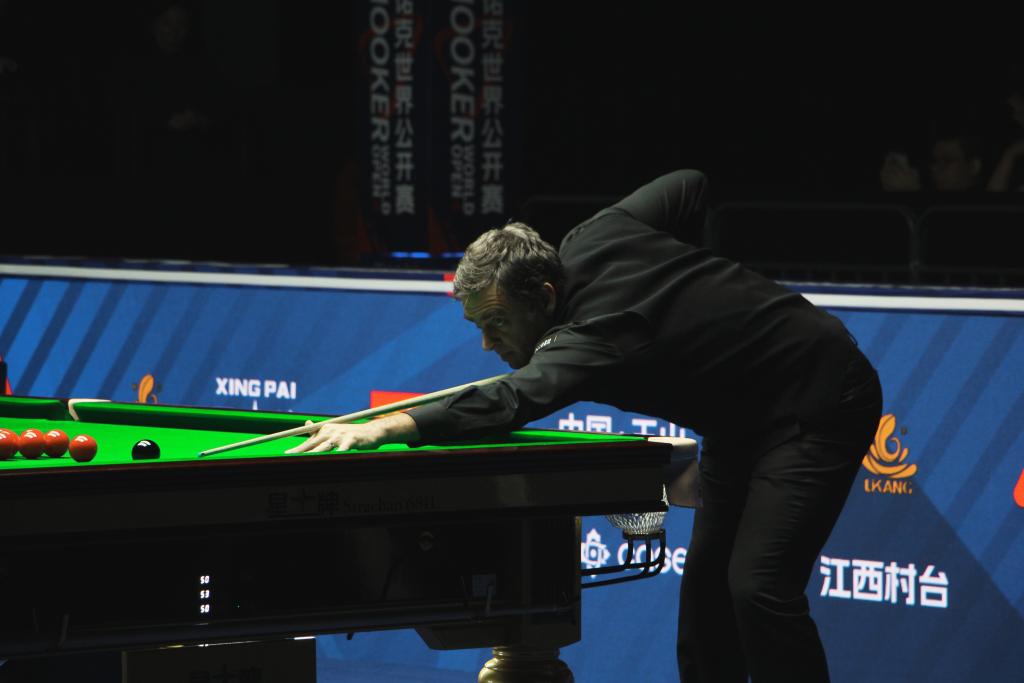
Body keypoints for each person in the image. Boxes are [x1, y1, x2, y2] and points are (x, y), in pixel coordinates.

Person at [289, 169, 883, 682]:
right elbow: (689, 185)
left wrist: (392, 426)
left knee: (758, 588)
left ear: (545, 296)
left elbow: (510, 401)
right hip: (735, 419)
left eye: (497, 323)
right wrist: (697, 289)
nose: (488, 343)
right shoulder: (595, 234)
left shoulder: (591, 340)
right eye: (477, 326)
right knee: (706, 599)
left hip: (818, 398)